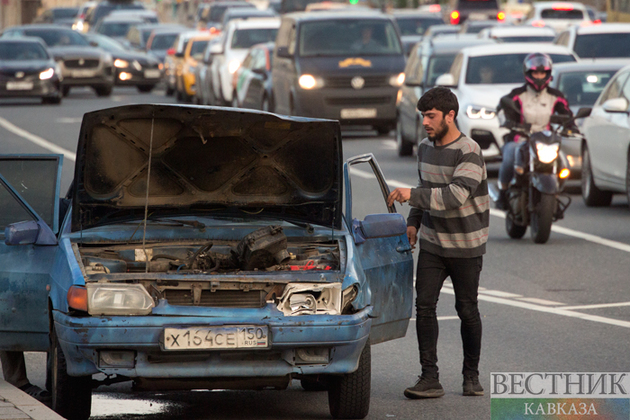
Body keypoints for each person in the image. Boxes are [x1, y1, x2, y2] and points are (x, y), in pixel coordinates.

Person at [387, 87, 489, 399]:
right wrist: (413, 222)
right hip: (433, 243)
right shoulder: (424, 148)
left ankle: (470, 376)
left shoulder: (469, 151)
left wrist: (411, 196)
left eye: (431, 116)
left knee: (466, 309)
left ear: (450, 115)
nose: (426, 122)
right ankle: (429, 377)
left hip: (466, 244)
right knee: (424, 305)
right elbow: (426, 187)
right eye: (423, 117)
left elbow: (456, 196)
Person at [495, 52, 575, 209]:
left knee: (564, 164)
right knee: (510, 158)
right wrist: (509, 123)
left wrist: (571, 127)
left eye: (542, 73)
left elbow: (567, 115)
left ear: (548, 73)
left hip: (546, 140)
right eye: (536, 73)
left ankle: (554, 193)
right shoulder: (516, 95)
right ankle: (503, 194)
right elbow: (502, 109)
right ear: (528, 73)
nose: (539, 76)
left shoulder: (556, 96)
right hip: (521, 139)